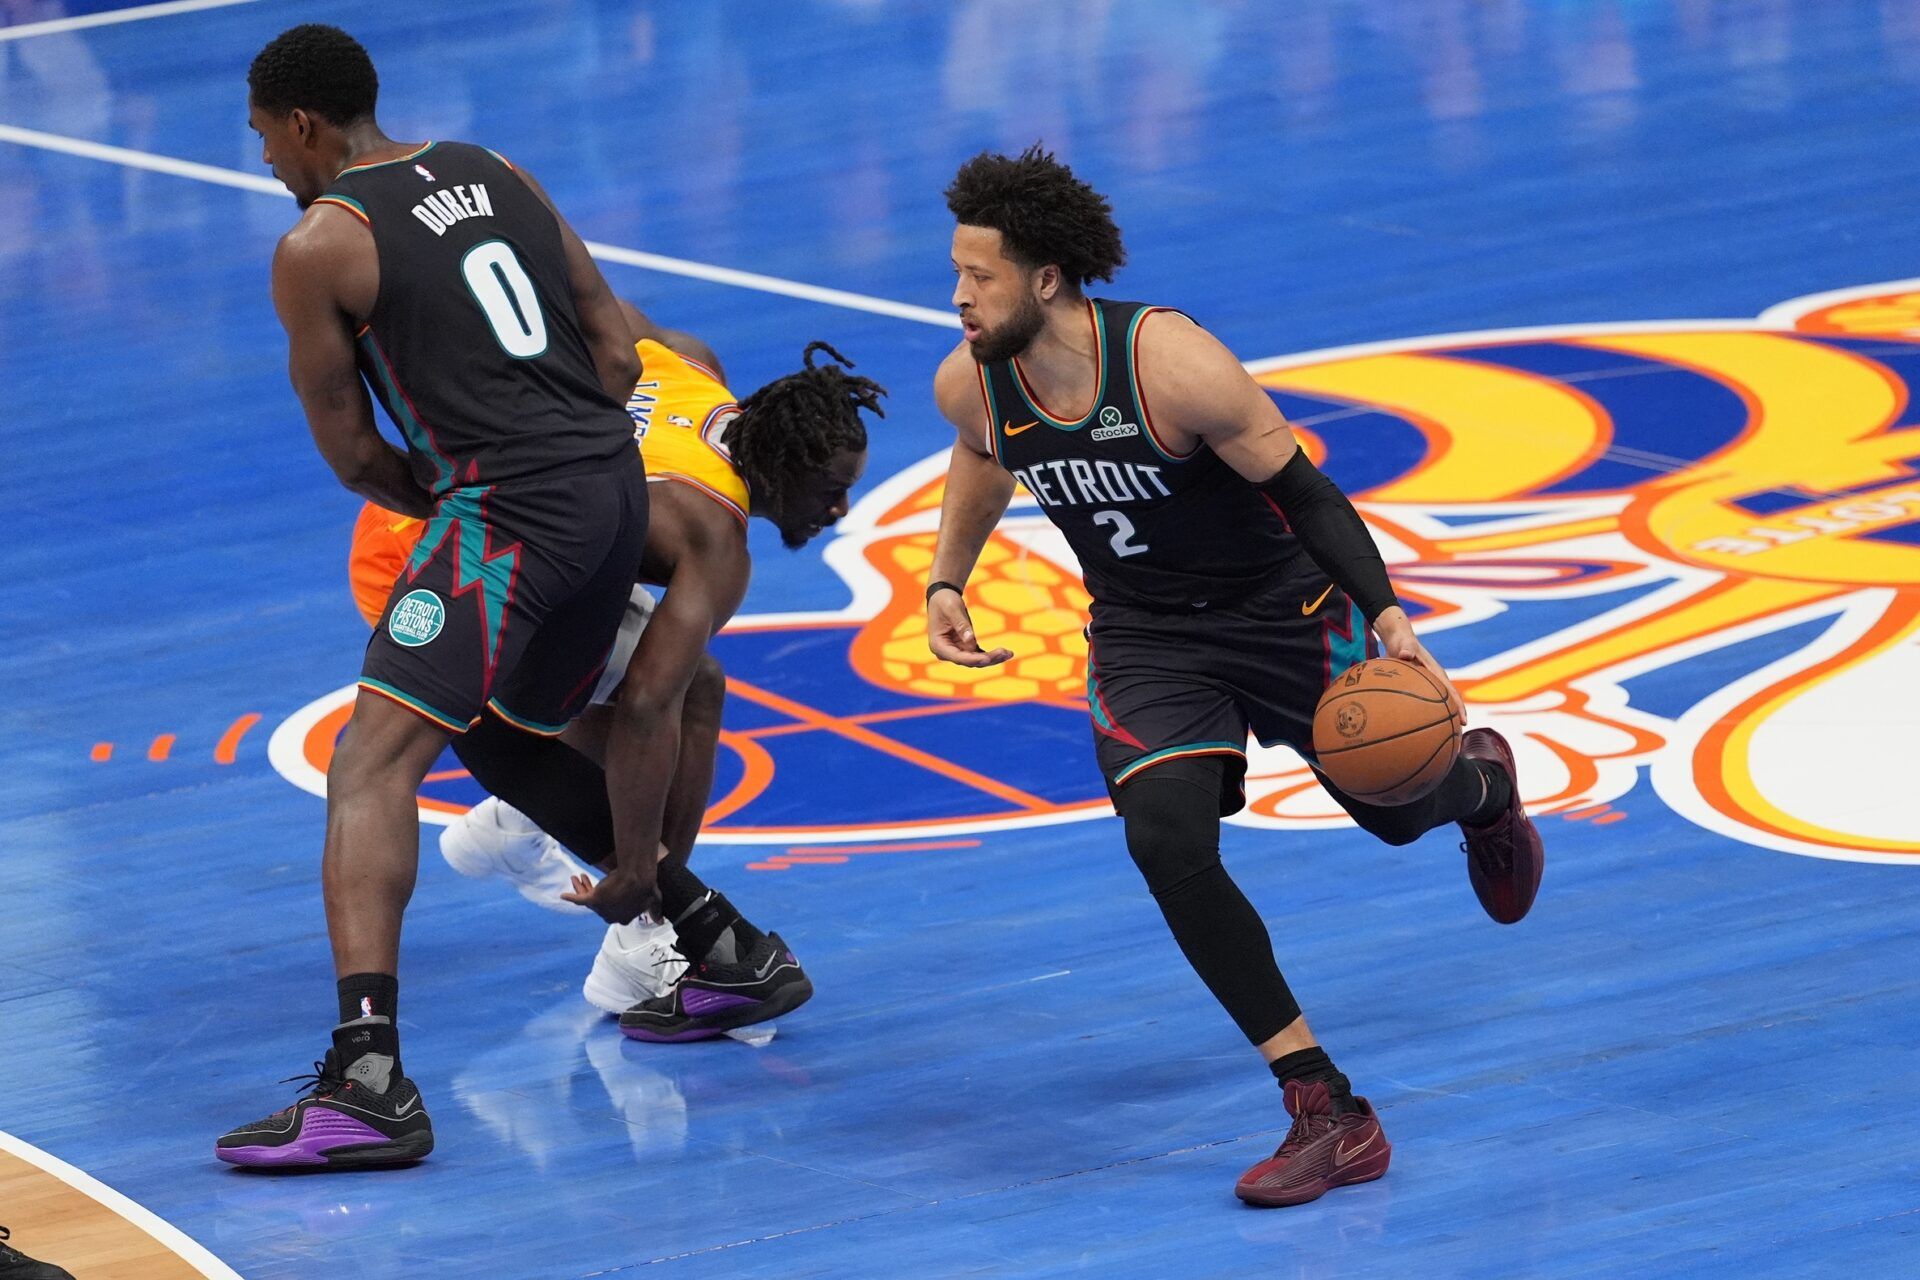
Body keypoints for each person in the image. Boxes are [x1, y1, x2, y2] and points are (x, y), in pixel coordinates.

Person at [926, 146, 1545, 1208]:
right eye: (956, 272)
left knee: (1397, 811)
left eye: (978, 275)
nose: (959, 295)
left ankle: (1481, 792)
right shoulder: (972, 377)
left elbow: (1306, 495)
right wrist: (947, 577)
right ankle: (1325, 1105)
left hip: (1287, 613)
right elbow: (986, 454)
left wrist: (1389, 613)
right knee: (1165, 837)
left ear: (1044, 280)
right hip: (1149, 635)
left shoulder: (1173, 364)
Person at [218, 24, 648, 1170]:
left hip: (506, 519)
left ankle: (366, 1081)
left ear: (303, 123)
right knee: (515, 730)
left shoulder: (320, 243)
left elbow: (355, 454)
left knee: (371, 761)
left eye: (263, 138)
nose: (264, 161)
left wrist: (459, 491)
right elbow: (614, 352)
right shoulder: (494, 167)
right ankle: (712, 935)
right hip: (616, 488)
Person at [351, 319, 883, 1040]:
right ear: (785, 463)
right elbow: (643, 708)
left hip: (499, 520)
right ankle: (643, 936)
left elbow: (586, 304)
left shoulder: (691, 364)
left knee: (692, 686)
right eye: (831, 489)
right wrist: (634, 871)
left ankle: (535, 842)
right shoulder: (712, 536)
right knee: (596, 711)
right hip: (430, 554)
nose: (840, 510)